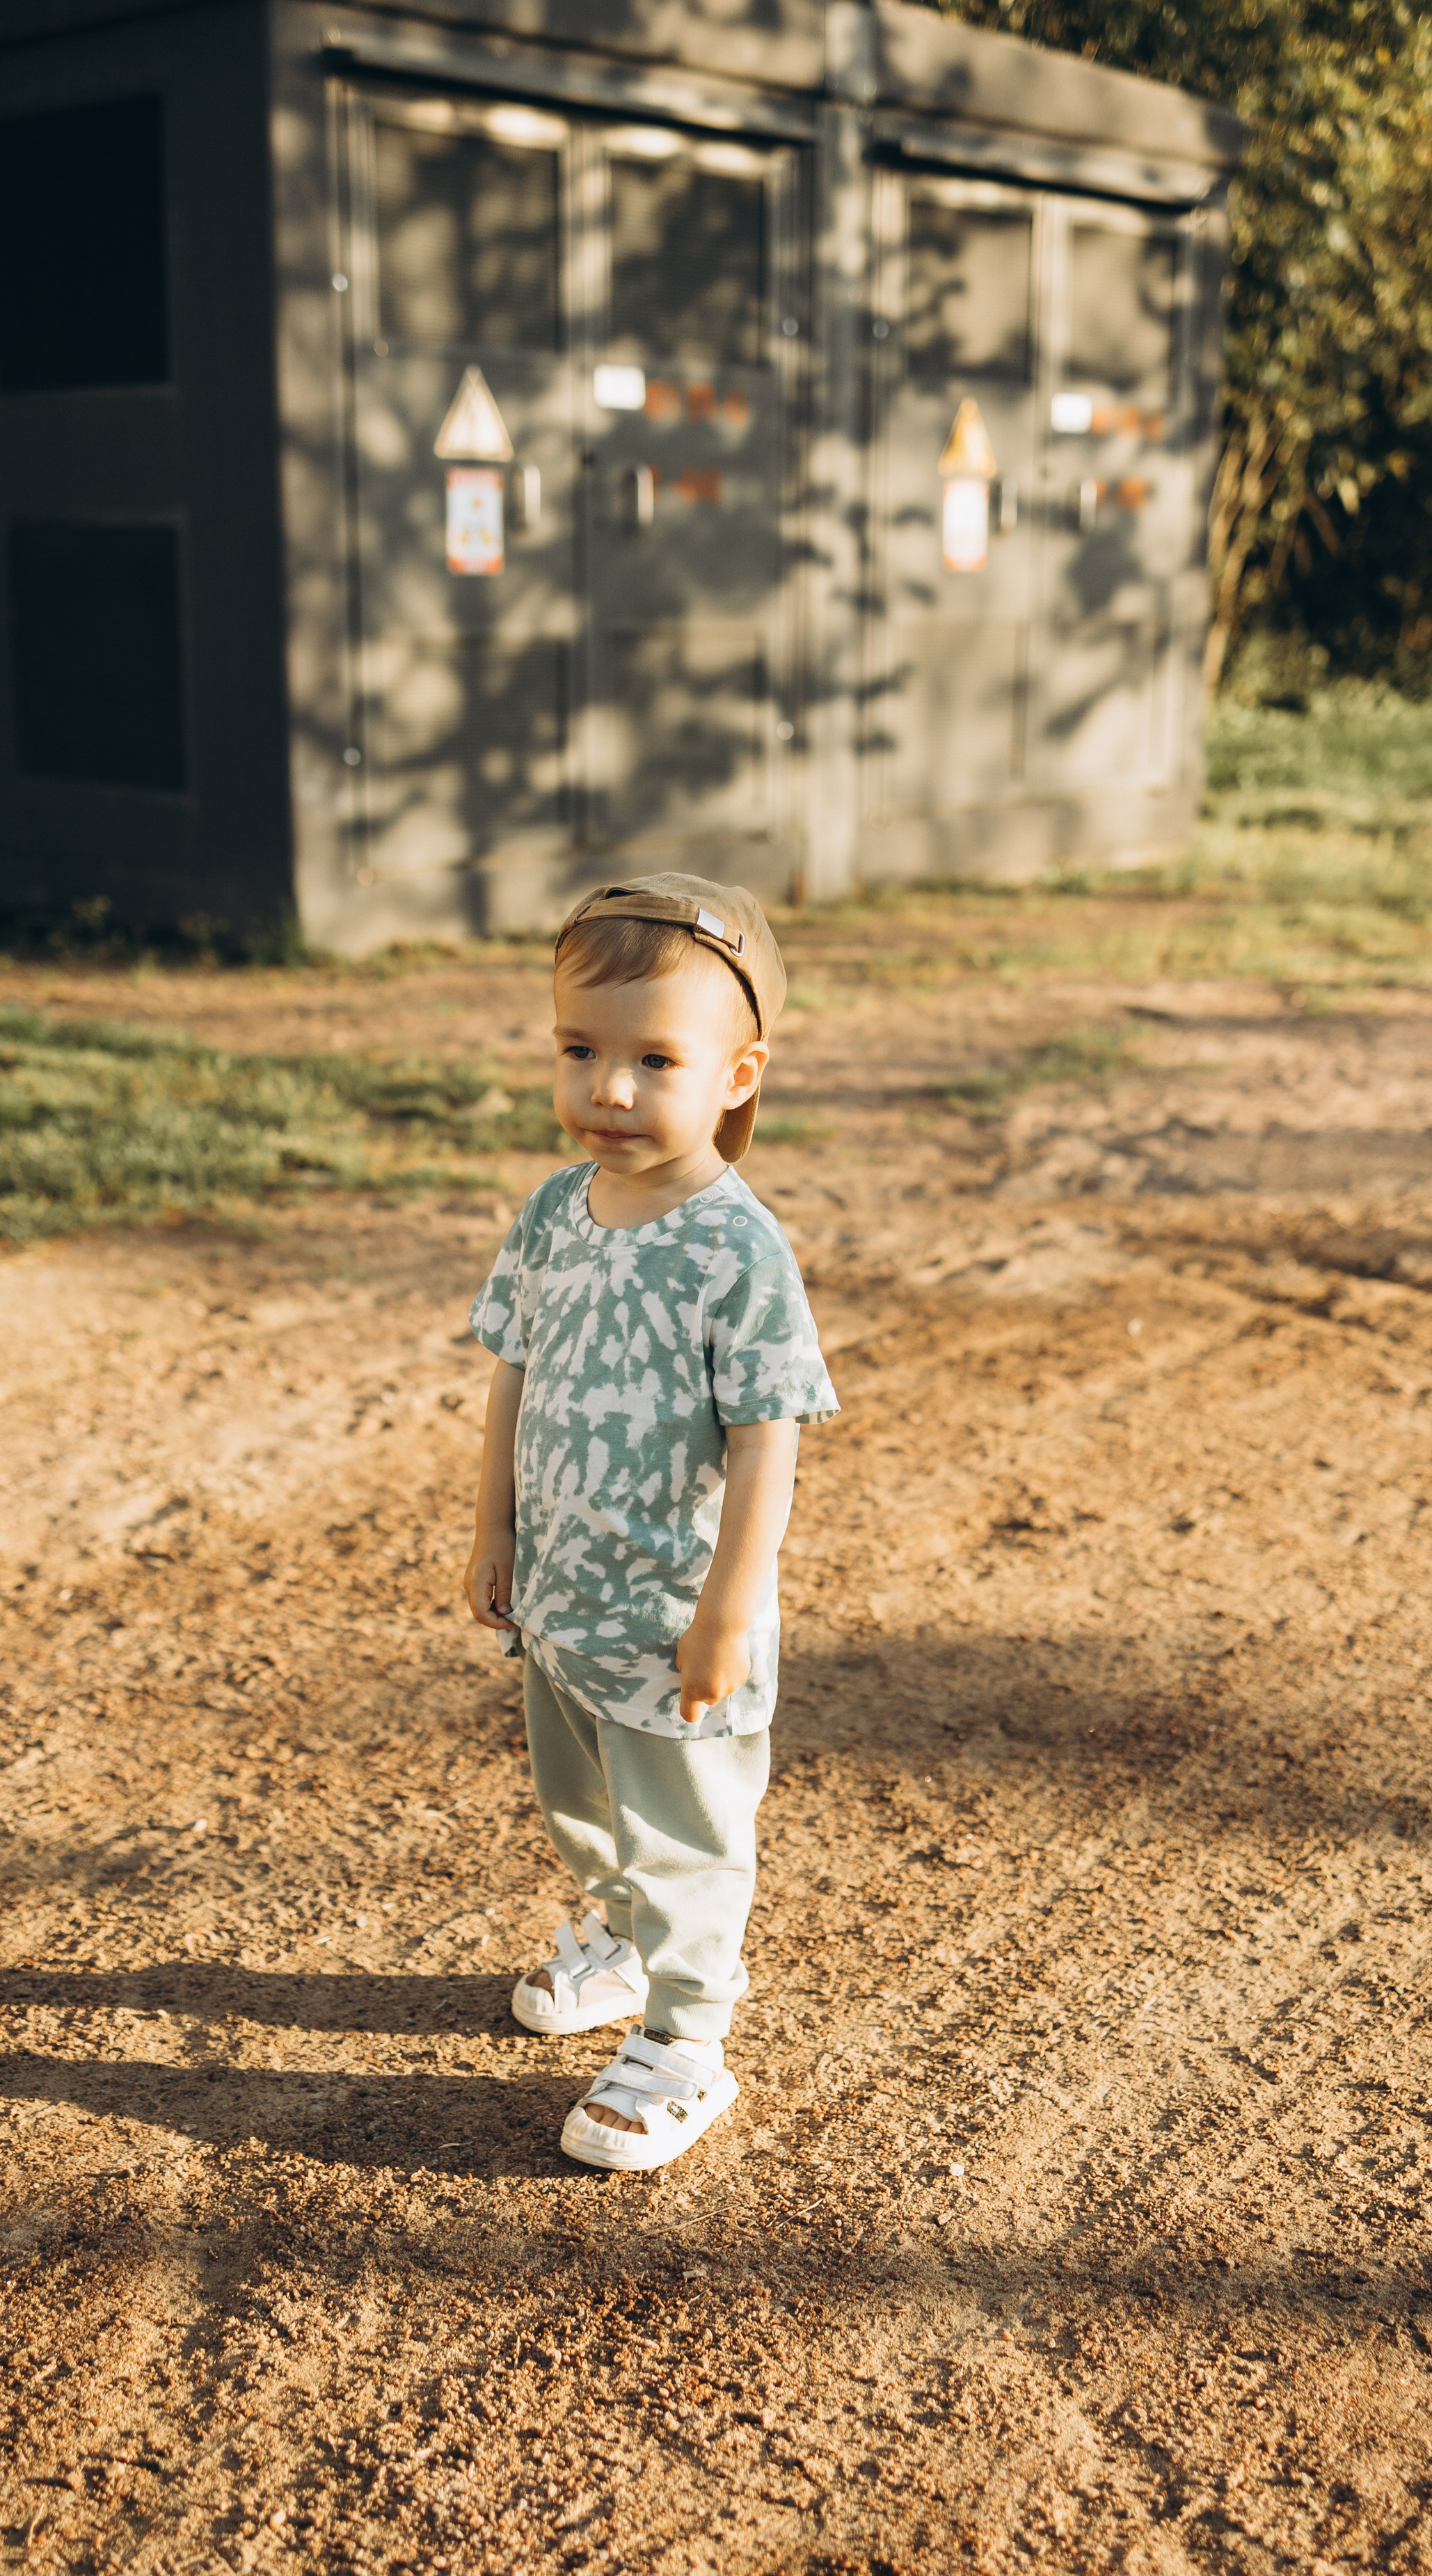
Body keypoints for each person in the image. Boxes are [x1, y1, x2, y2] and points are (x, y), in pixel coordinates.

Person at [463, 874, 837, 2172]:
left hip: (676, 1606)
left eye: (654, 1059)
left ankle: (688, 2039)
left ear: (739, 1075)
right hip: (568, 1598)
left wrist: (732, 1605)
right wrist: (493, 1527)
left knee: (682, 1825)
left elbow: (766, 1435)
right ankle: (620, 1945)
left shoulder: (738, 1251)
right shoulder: (557, 1212)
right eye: (582, 1050)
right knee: (583, 1802)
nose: (609, 1089)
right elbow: (513, 1365)